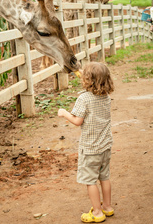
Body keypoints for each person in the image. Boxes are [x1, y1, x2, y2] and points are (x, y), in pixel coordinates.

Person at [58, 62, 114, 223]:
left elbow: (77, 121)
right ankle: (107, 207)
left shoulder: (84, 98)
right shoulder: (106, 96)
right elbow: (97, 78)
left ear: (87, 80)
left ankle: (97, 212)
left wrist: (64, 113)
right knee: (105, 177)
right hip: (105, 146)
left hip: (90, 149)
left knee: (90, 181)